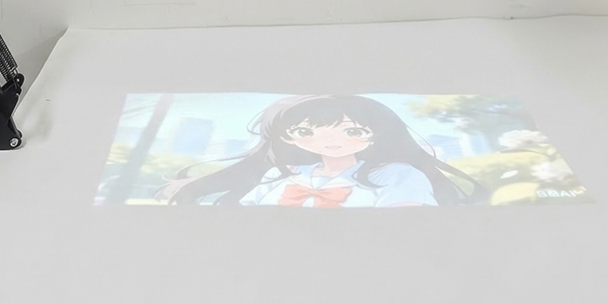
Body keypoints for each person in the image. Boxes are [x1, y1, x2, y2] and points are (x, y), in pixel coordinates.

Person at [162, 93, 484, 207]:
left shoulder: (398, 176)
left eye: (353, 131)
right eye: (305, 132)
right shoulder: (283, 175)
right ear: (288, 137)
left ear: (376, 136)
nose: (331, 141)